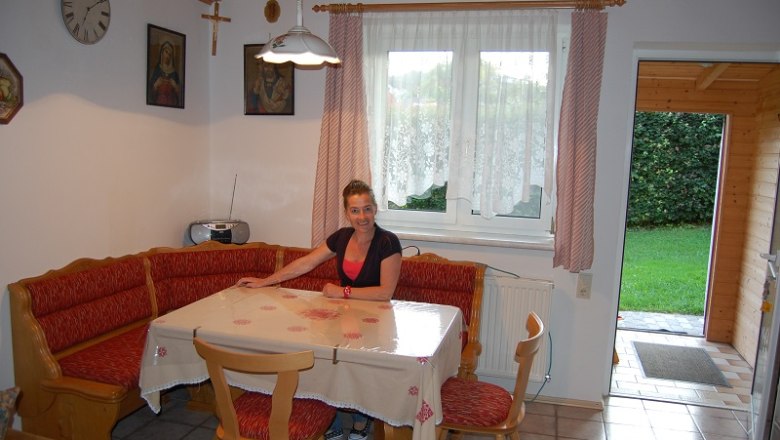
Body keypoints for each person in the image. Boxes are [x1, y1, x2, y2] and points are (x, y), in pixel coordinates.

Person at [235, 179, 402, 440]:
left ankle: (362, 419)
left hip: (376, 321)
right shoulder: (341, 238)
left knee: (361, 367)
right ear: (347, 212)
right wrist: (265, 281)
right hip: (343, 315)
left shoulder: (388, 242)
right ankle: (330, 418)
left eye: (367, 209)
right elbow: (305, 263)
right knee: (323, 357)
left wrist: (342, 291)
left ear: (376, 209)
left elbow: (385, 292)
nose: (362, 216)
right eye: (355, 210)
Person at [148, 40, 181, 106]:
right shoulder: (156, 71)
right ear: (162, 53)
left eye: (170, 54)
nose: (168, 56)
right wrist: (156, 85)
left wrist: (175, 87)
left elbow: (180, 97)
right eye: (166, 52)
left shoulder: (175, 73)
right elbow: (149, 95)